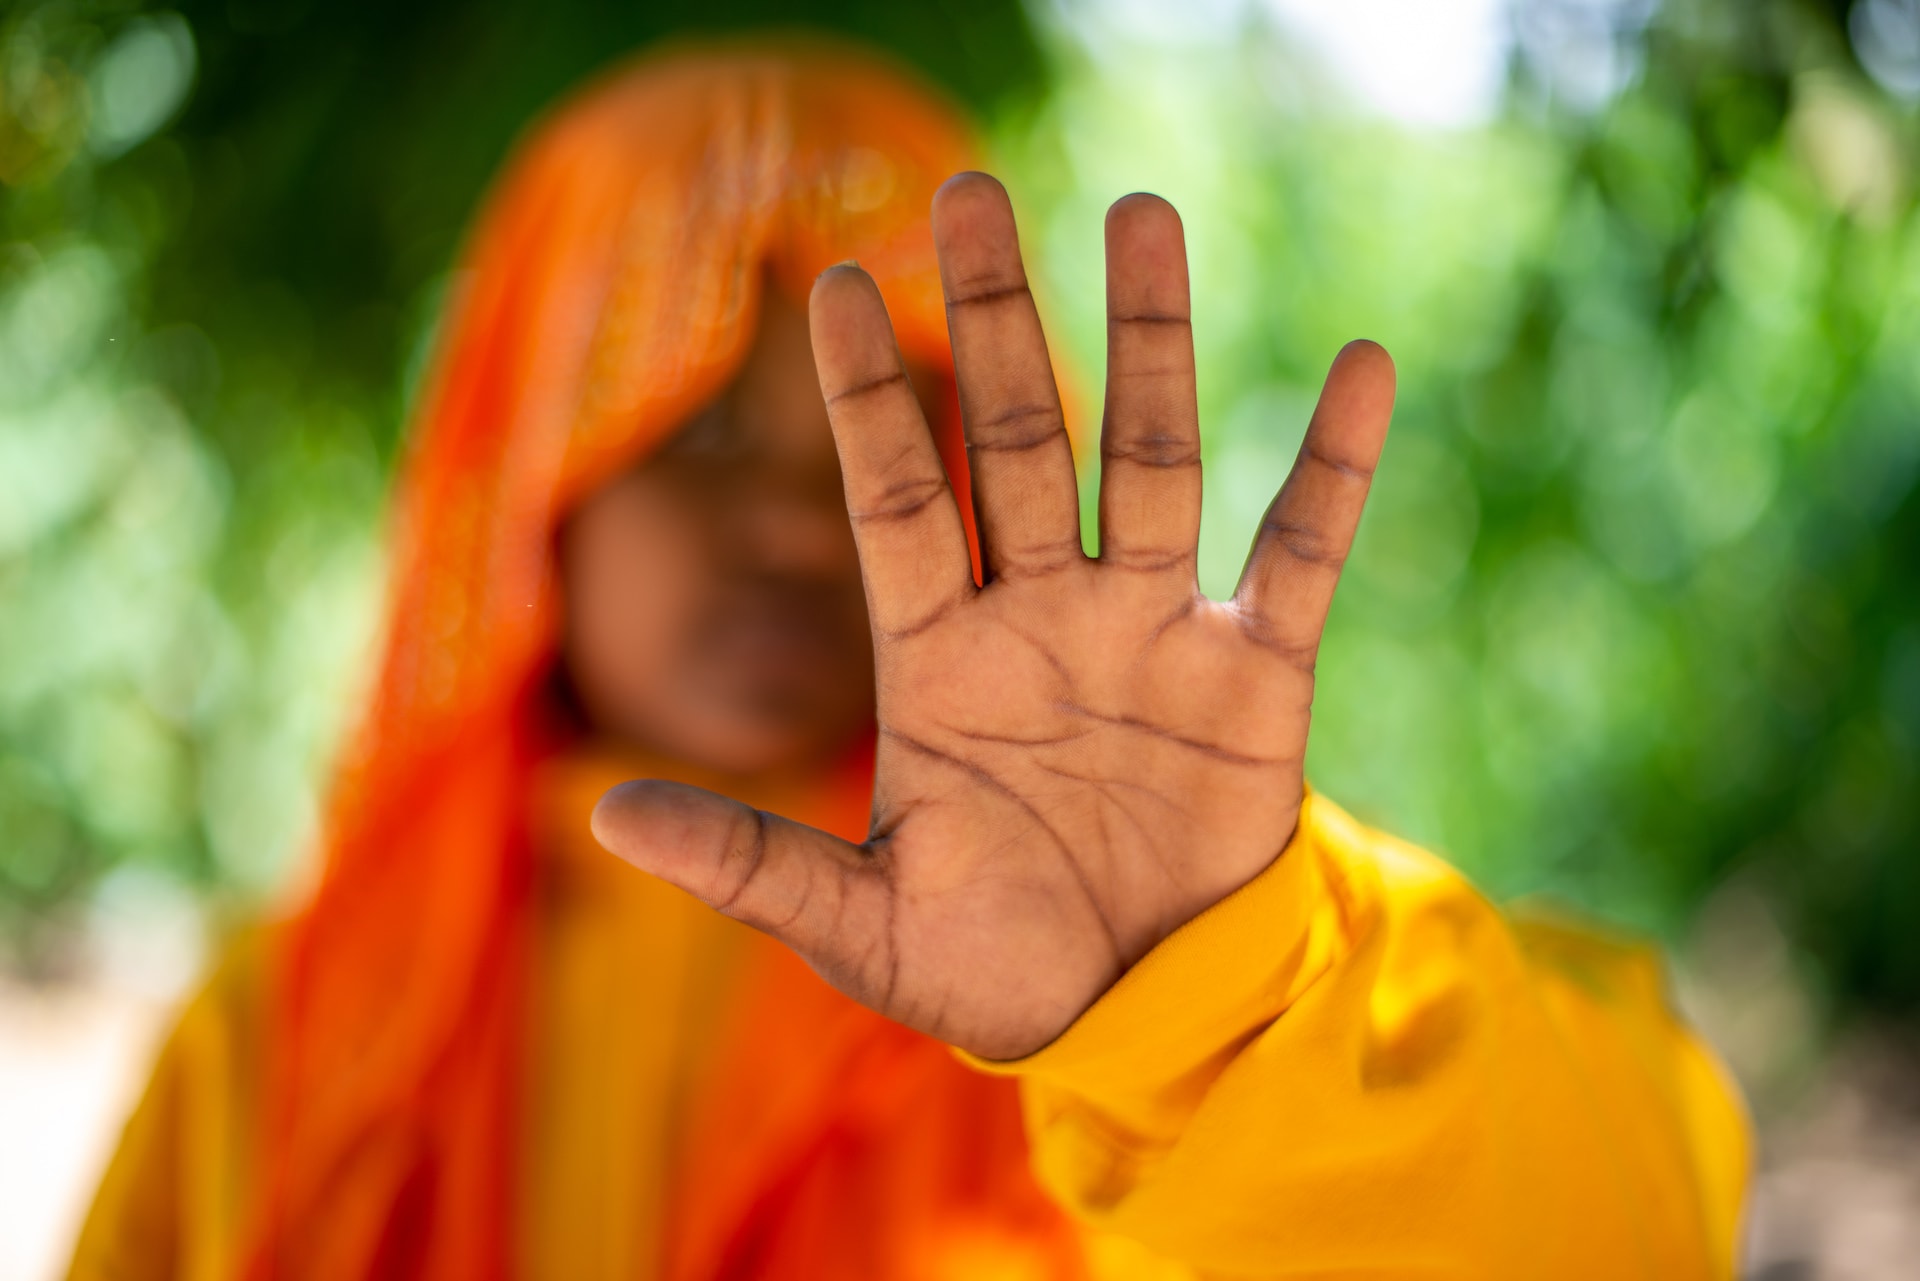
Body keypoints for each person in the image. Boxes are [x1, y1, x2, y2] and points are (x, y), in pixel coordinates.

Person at [67, 39, 1750, 1281]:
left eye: (890, 436)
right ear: (530, 490)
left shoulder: (1163, 938)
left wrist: (1208, 1002)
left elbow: (1642, 1217)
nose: (803, 532)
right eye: (701, 433)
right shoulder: (272, 1049)